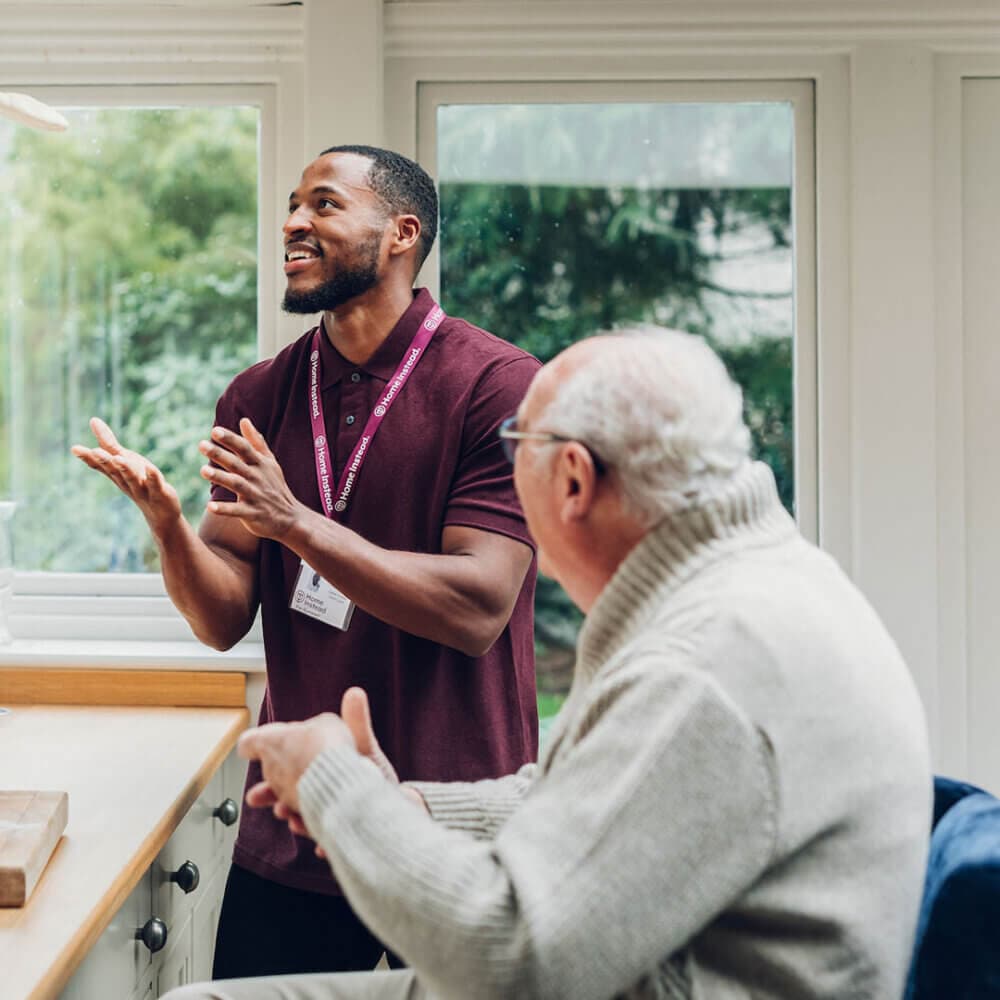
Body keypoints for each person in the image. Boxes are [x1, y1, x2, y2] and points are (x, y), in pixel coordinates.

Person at [165, 327, 933, 1000]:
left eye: (514, 450)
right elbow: (609, 797)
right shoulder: (757, 585)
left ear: (571, 479)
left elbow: (512, 963)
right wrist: (413, 809)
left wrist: (336, 787)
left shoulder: (703, 662)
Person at [72, 145, 540, 978]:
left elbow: (477, 608)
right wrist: (171, 528)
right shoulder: (258, 396)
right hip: (293, 837)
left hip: (451, 834)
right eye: (292, 204)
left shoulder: (498, 385)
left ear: (401, 233)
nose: (293, 222)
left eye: (324, 204)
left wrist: (296, 522)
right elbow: (221, 619)